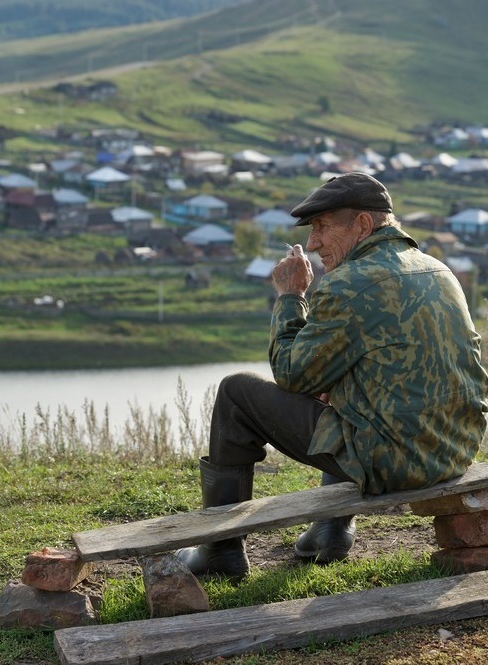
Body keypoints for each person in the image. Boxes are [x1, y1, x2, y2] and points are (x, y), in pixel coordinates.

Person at [177, 171, 488, 579]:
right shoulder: (438, 270)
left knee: (236, 392)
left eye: (323, 227)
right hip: (453, 449)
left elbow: (292, 375)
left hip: (396, 463)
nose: (313, 242)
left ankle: (221, 551)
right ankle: (331, 529)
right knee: (347, 380)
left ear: (362, 224)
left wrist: (291, 297)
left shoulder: (349, 283)